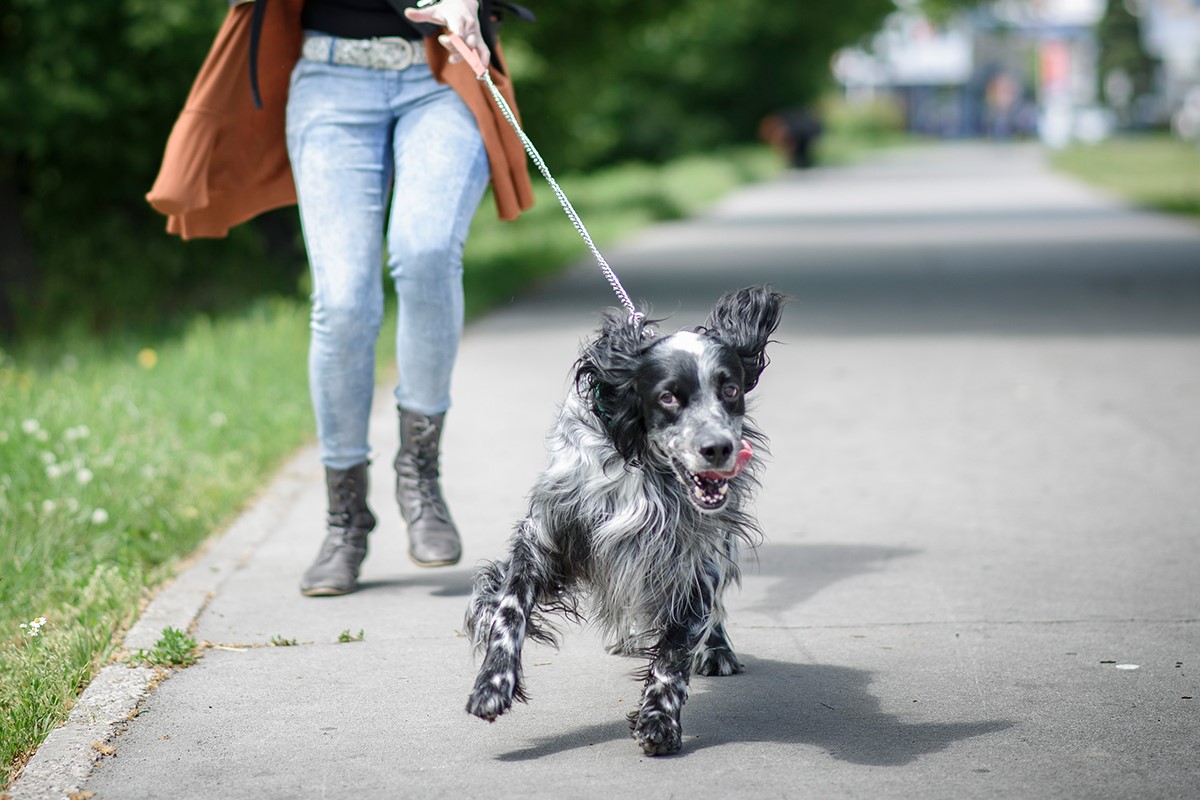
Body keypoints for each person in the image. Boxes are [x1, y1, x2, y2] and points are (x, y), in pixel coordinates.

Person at [146, 0, 534, 597]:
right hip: (329, 81)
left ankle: (419, 474)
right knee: (345, 301)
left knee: (427, 250)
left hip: (438, 71)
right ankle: (345, 520)